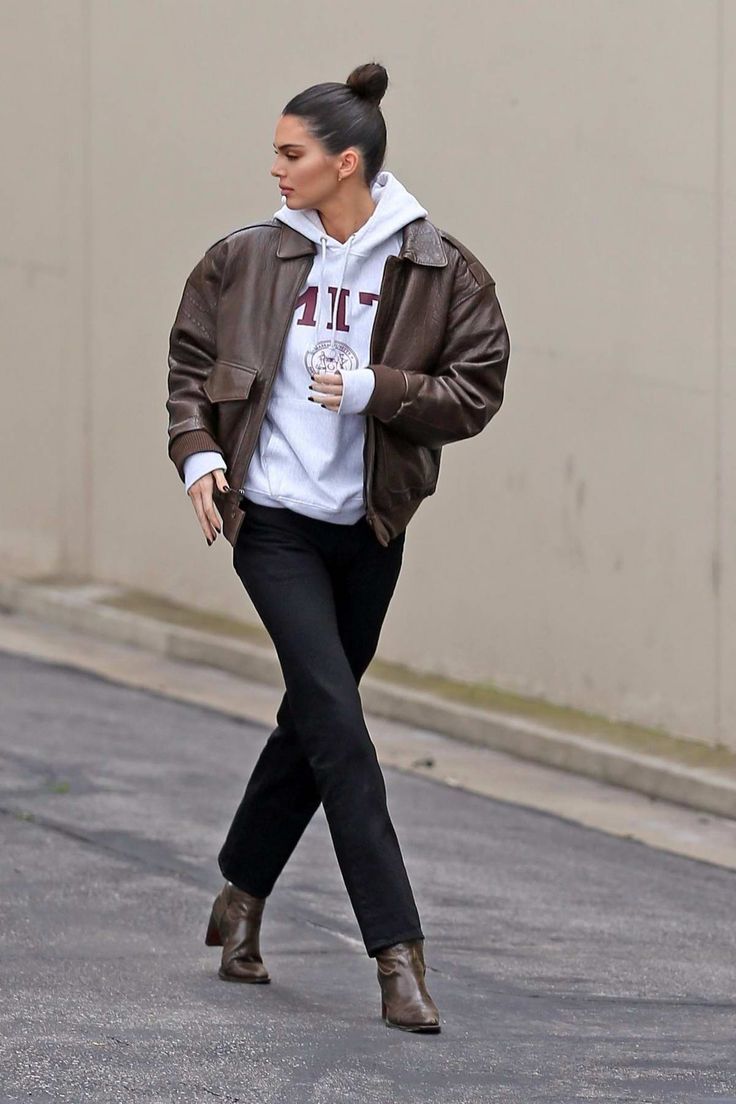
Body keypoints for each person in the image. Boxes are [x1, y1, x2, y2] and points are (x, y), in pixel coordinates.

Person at [166, 61, 510, 1034]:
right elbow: (193, 361)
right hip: (269, 524)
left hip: (367, 533)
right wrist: (196, 453)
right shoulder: (245, 257)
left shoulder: (442, 270)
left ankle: (238, 896)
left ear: (343, 161)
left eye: (291, 154)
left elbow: (476, 391)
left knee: (311, 722)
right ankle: (397, 956)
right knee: (341, 731)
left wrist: (375, 389)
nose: (274, 170)